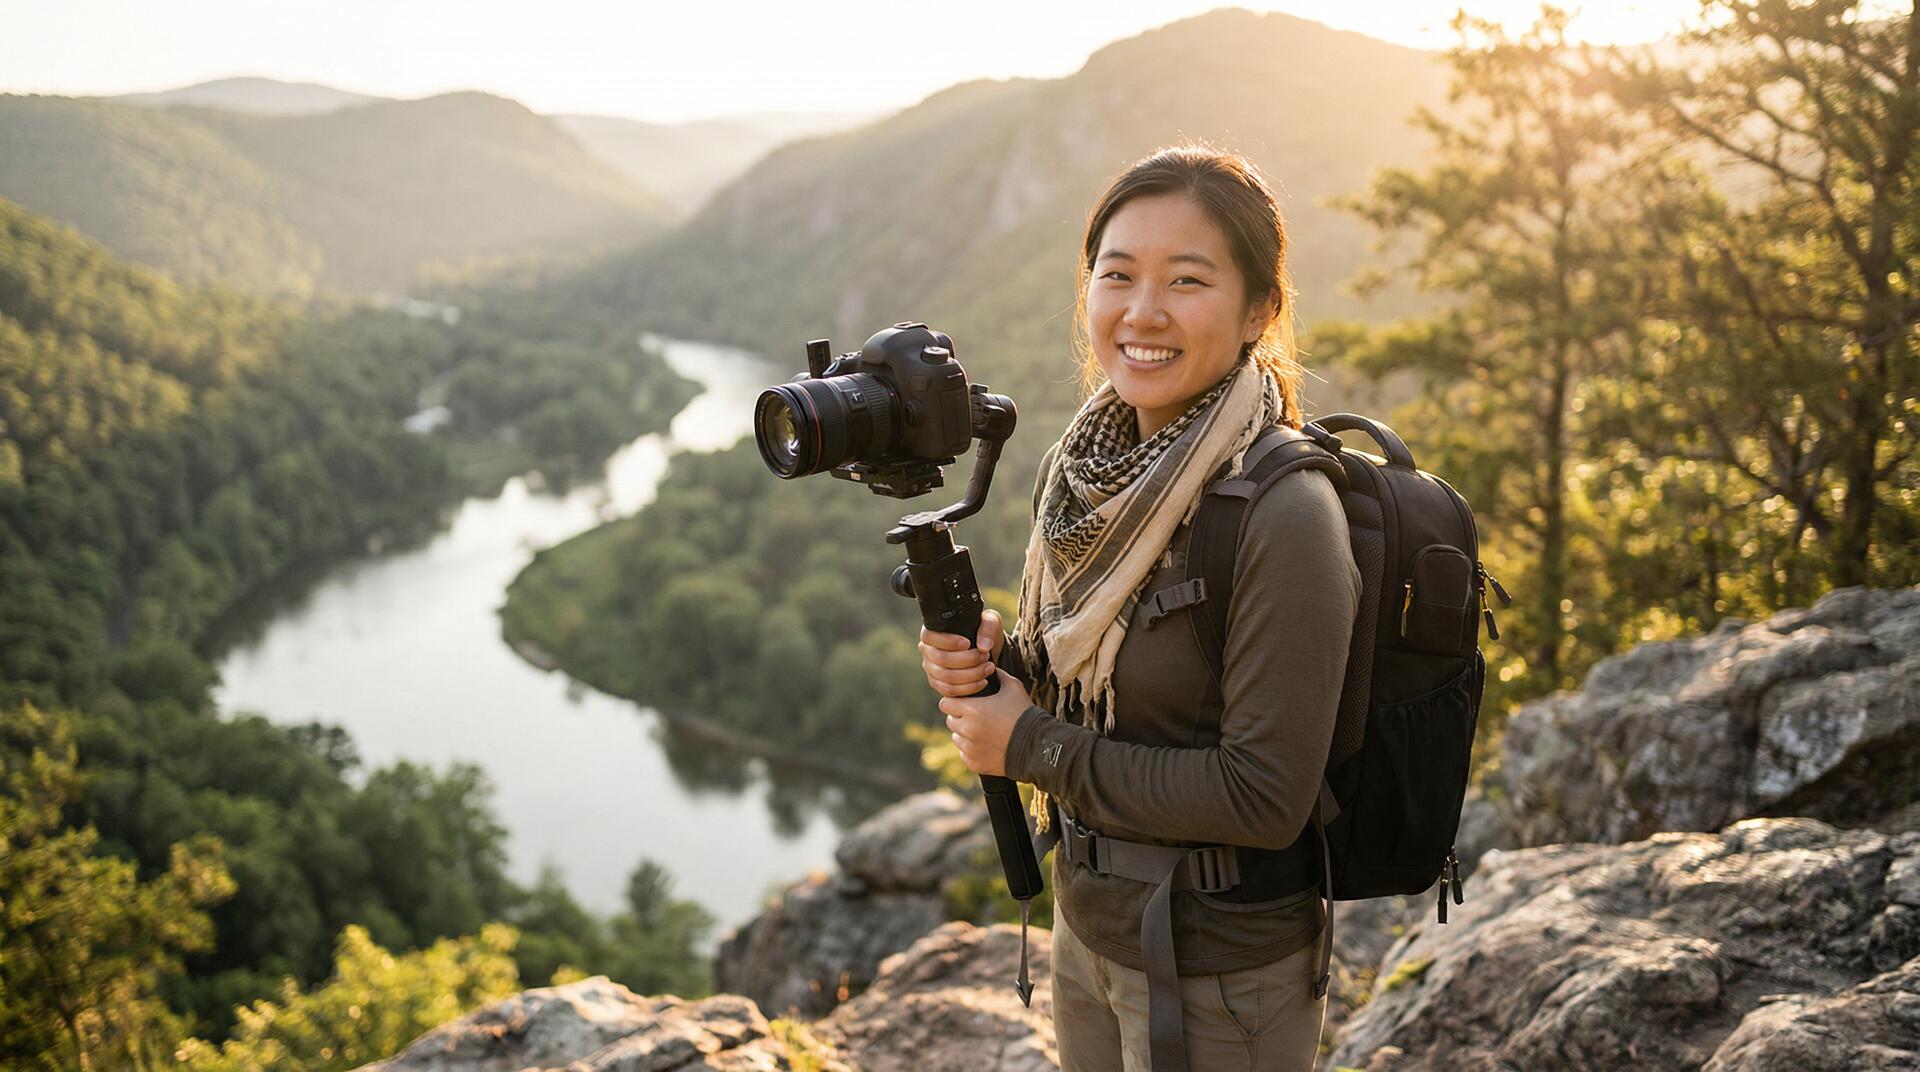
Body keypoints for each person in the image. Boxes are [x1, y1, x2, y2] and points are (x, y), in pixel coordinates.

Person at [919, 144, 1361, 1071]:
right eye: (1116, 275)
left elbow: (1265, 795)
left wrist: (1027, 744)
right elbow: (1088, 678)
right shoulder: (1081, 475)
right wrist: (1006, 675)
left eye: (1186, 281)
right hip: (1090, 929)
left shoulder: (1286, 512)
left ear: (1259, 311)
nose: (1141, 311)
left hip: (1222, 974)